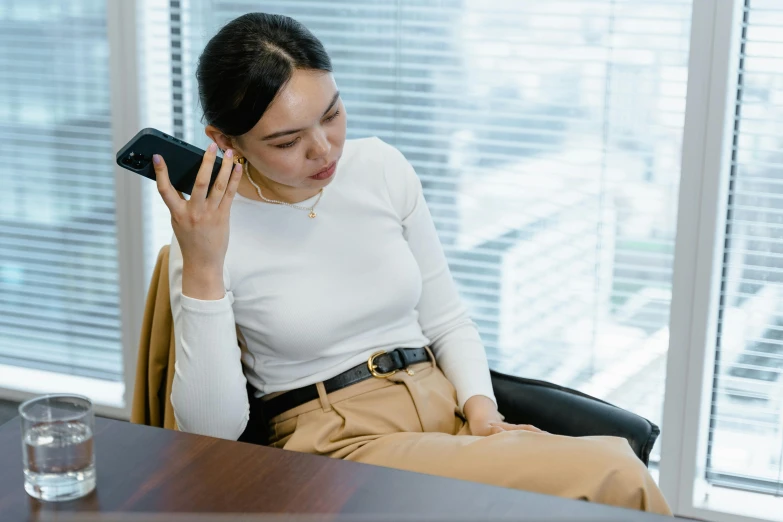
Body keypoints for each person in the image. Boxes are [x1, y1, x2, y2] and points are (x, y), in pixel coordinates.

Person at [153, 12, 671, 515]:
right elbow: (210, 434)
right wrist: (203, 267)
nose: (323, 149)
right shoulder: (209, 235)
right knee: (614, 471)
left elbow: (445, 317)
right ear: (223, 141)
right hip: (340, 444)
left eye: (332, 114)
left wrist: (482, 411)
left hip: (444, 411)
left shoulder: (379, 167)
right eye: (288, 141)